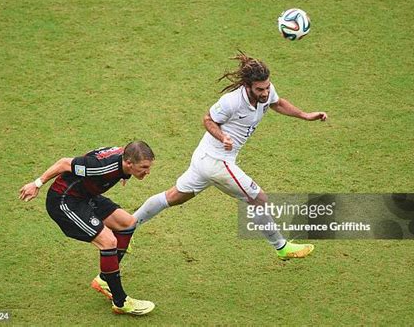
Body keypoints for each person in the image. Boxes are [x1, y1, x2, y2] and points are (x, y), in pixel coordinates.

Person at [132, 51, 328, 260]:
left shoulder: (266, 91)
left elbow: (277, 103)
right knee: (258, 198)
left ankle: (127, 225)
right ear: (247, 86)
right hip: (216, 161)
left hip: (206, 159)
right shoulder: (231, 102)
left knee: (173, 197)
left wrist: (306, 115)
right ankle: (281, 247)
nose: (264, 93)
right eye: (259, 89)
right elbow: (208, 120)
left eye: (267, 87)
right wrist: (223, 136)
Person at [19, 141, 155, 316]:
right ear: (129, 162)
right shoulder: (100, 168)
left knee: (127, 223)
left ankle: (105, 280)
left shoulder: (125, 156)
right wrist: (36, 184)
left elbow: (105, 152)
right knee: (109, 242)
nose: (147, 171)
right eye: (144, 167)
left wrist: (123, 174)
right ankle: (120, 302)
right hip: (64, 201)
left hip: (85, 196)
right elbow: (64, 163)